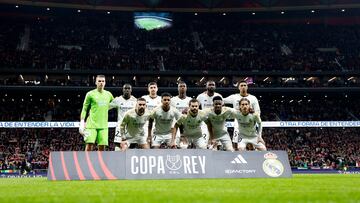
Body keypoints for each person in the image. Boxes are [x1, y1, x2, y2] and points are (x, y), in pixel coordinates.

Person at [79, 75, 114, 151]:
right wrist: (82, 122)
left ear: (105, 83)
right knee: (89, 145)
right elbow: (84, 109)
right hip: (91, 124)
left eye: (103, 81)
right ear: (96, 82)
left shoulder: (109, 94)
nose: (101, 83)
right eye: (99, 81)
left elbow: (114, 105)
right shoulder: (90, 94)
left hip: (103, 125)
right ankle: (86, 162)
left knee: (102, 147)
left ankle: (99, 162)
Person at [224, 80, 261, 149]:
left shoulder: (253, 98)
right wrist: (215, 95)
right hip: (238, 120)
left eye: (244, 85)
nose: (243, 87)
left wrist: (254, 114)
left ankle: (253, 154)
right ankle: (236, 152)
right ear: (238, 88)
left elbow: (258, 111)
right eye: (241, 85)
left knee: (251, 144)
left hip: (250, 121)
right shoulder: (234, 97)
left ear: (247, 87)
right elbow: (223, 100)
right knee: (236, 140)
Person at [109, 84, 137, 151]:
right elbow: (106, 107)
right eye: (125, 88)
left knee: (131, 147)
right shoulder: (117, 100)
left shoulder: (135, 101)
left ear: (131, 90)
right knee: (118, 147)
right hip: (120, 126)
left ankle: (129, 160)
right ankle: (118, 161)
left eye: (128, 88)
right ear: (123, 90)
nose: (127, 90)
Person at [170, 81, 192, 147]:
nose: (182, 87)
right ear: (178, 88)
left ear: (186, 88)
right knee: (174, 144)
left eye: (184, 86)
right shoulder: (173, 100)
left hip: (186, 125)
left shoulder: (190, 100)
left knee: (185, 146)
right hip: (175, 125)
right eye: (180, 86)